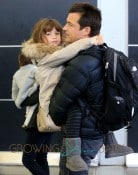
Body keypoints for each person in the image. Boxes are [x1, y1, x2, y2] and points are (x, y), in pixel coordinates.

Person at [49, 3, 133, 175]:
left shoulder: (81, 63)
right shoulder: (104, 52)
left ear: (86, 30)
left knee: (72, 171)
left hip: (81, 136)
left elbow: (57, 108)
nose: (64, 28)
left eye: (70, 24)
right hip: (96, 131)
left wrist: (55, 116)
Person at [20, 18, 102, 175]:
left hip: (55, 109)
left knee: (40, 157)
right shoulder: (47, 57)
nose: (55, 36)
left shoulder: (58, 55)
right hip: (45, 113)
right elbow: (67, 52)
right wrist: (90, 40)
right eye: (48, 33)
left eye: (57, 32)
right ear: (39, 37)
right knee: (30, 159)